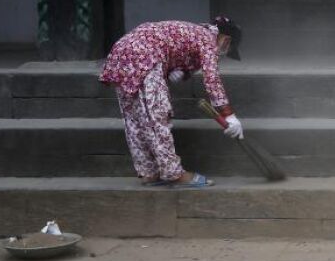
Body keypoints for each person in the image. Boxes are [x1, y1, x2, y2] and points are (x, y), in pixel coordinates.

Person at [99, 16, 245, 187]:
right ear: (226, 40)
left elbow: (178, 52)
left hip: (122, 52)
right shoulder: (208, 39)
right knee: (157, 117)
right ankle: (174, 173)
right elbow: (211, 79)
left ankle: (150, 172)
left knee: (135, 119)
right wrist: (229, 115)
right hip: (145, 55)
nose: (224, 52)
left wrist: (181, 71)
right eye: (228, 48)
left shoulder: (195, 32)